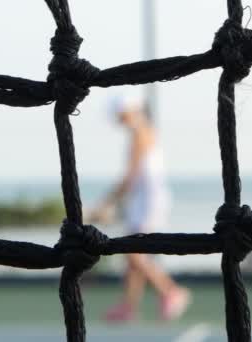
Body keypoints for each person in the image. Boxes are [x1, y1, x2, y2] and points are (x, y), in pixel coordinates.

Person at [92, 94, 191, 322]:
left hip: (149, 201)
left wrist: (107, 204)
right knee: (132, 255)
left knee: (133, 253)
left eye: (120, 115)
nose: (119, 121)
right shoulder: (140, 132)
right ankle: (129, 307)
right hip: (143, 200)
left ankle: (170, 291)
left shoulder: (140, 133)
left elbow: (131, 176)